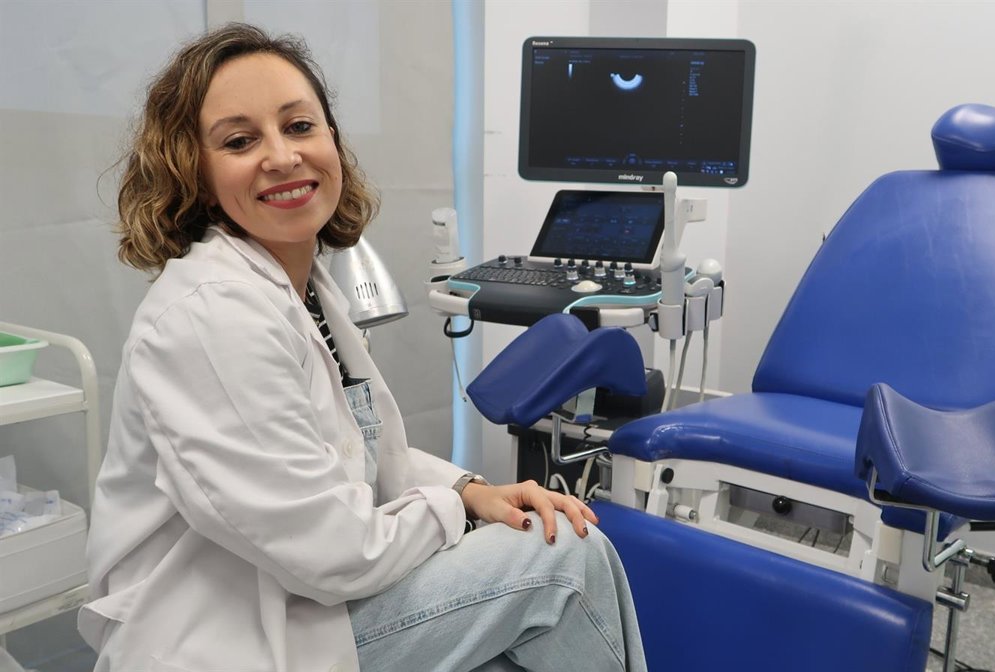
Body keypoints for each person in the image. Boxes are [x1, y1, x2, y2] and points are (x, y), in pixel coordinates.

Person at [79, 23, 646, 672]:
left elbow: (362, 450)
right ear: (196, 174)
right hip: (226, 640)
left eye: (299, 126)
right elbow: (333, 551)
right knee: (564, 560)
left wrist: (469, 490)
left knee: (532, 608)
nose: (282, 157)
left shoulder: (303, 288)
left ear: (332, 141)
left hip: (298, 606)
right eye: (239, 141)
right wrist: (450, 510)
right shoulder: (212, 315)